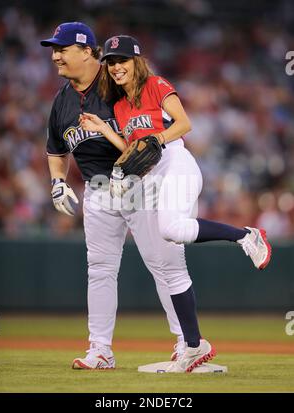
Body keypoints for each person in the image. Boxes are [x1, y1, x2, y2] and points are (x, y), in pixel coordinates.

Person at [80, 34, 272, 372]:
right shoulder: (120, 106)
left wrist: (157, 137)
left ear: (136, 61)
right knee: (165, 262)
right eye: (110, 62)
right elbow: (131, 150)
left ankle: (246, 236)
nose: (116, 67)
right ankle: (194, 346)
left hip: (176, 164)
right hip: (152, 177)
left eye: (122, 60)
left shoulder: (155, 84)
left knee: (171, 229)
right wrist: (103, 129)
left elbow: (184, 124)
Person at [40, 22, 194, 371]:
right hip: (98, 191)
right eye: (54, 49)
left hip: (140, 182)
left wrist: (168, 167)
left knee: (164, 263)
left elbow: (164, 125)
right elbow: (55, 149)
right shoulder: (61, 101)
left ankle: (188, 342)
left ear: (87, 51)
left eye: (62, 49)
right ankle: (100, 350)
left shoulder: (118, 82)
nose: (55, 56)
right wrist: (57, 181)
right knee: (100, 270)